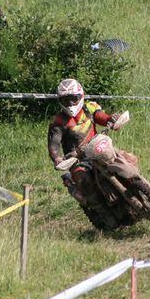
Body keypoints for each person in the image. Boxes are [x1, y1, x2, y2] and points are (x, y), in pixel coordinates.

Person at [48, 78, 122, 210]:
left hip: (98, 148)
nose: (70, 104)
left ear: (81, 96)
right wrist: (57, 158)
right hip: (77, 159)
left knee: (126, 159)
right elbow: (54, 143)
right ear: (60, 101)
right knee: (83, 179)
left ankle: (141, 188)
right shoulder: (58, 121)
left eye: (74, 98)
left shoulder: (90, 108)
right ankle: (99, 209)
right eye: (66, 100)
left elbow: (102, 118)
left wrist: (112, 119)